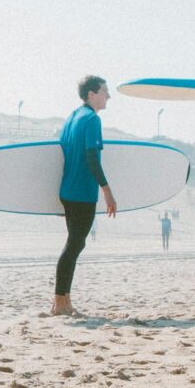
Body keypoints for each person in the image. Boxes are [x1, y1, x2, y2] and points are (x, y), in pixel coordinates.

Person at [53, 75, 117, 316]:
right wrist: (108, 192)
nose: (108, 96)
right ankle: (60, 303)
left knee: (73, 244)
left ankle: (64, 301)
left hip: (68, 191)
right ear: (92, 93)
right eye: (104, 91)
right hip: (82, 192)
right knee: (74, 245)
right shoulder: (92, 120)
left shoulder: (72, 118)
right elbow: (92, 158)